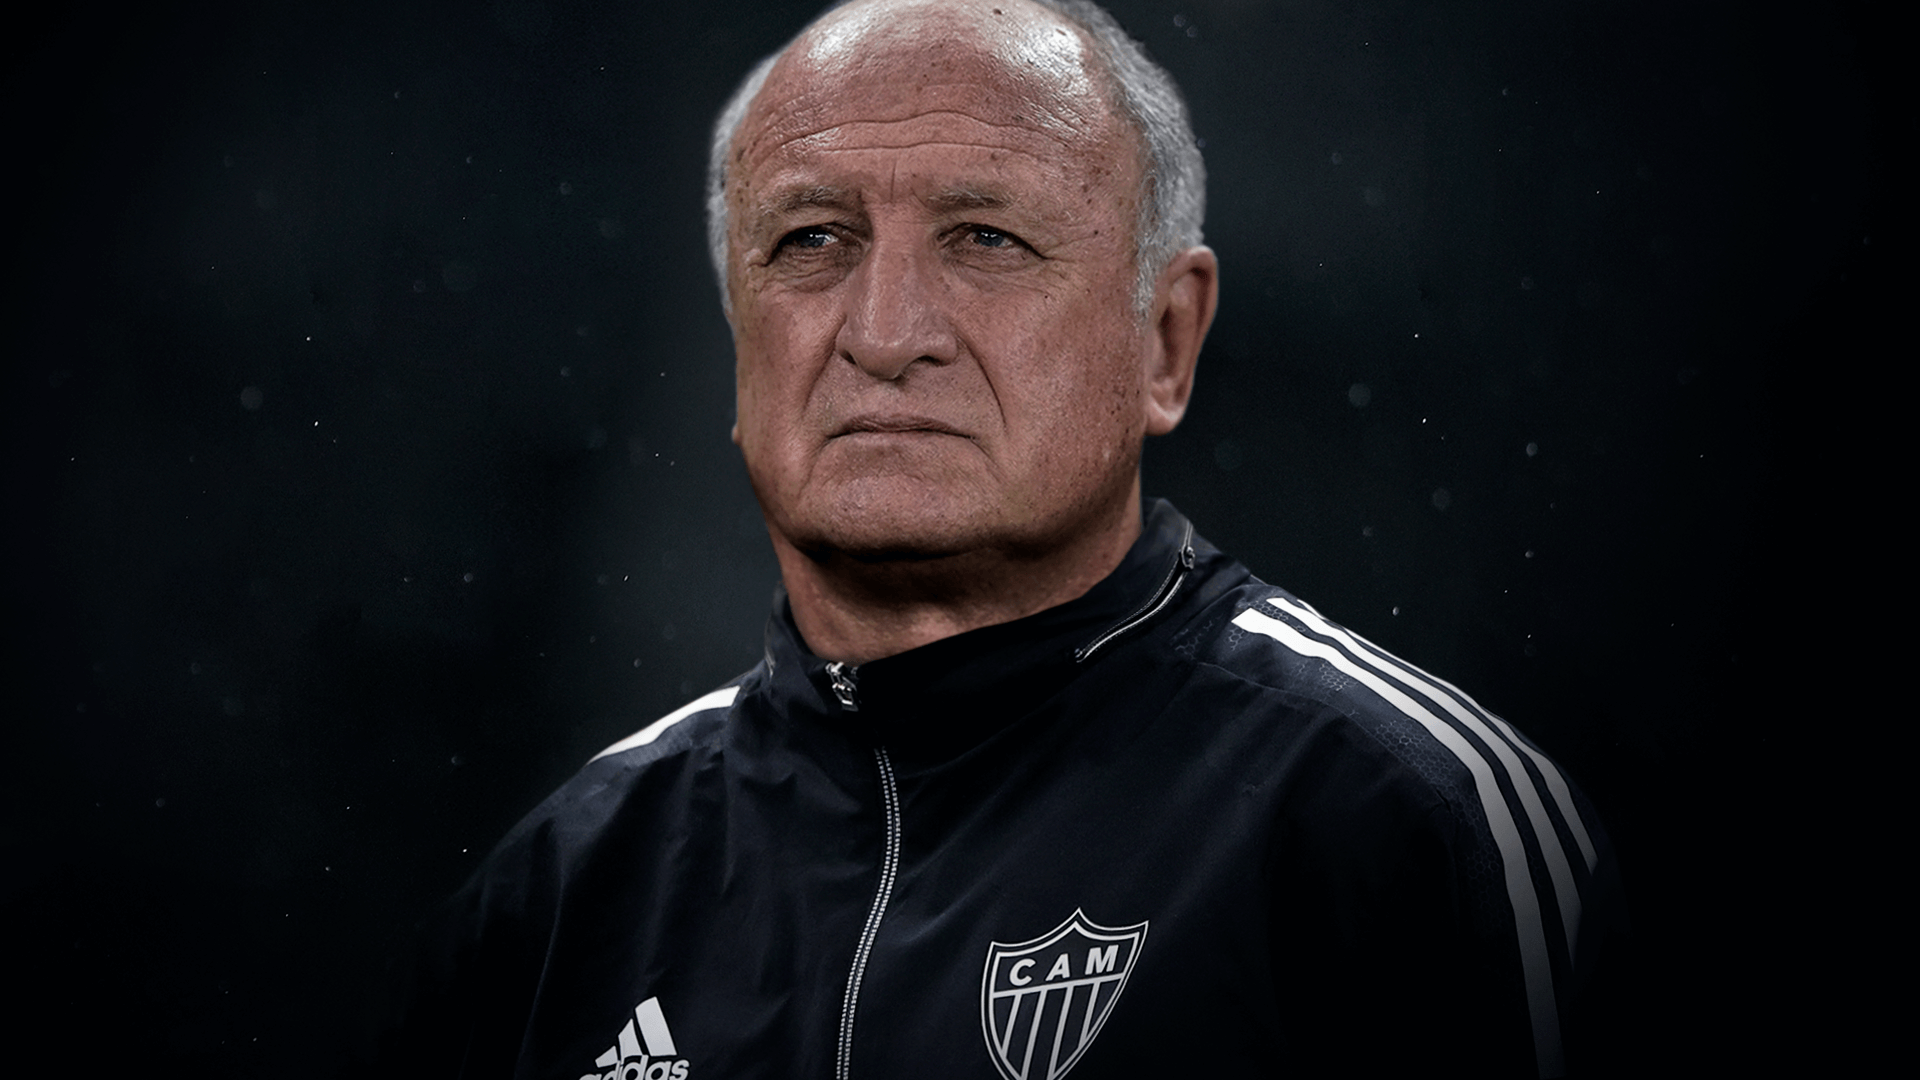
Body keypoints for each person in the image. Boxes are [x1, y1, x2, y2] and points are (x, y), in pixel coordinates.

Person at [372, 1, 1622, 1076]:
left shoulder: (1404, 823)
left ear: (1166, 342)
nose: (885, 332)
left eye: (987, 239)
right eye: (812, 240)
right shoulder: (563, 892)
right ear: (741, 342)